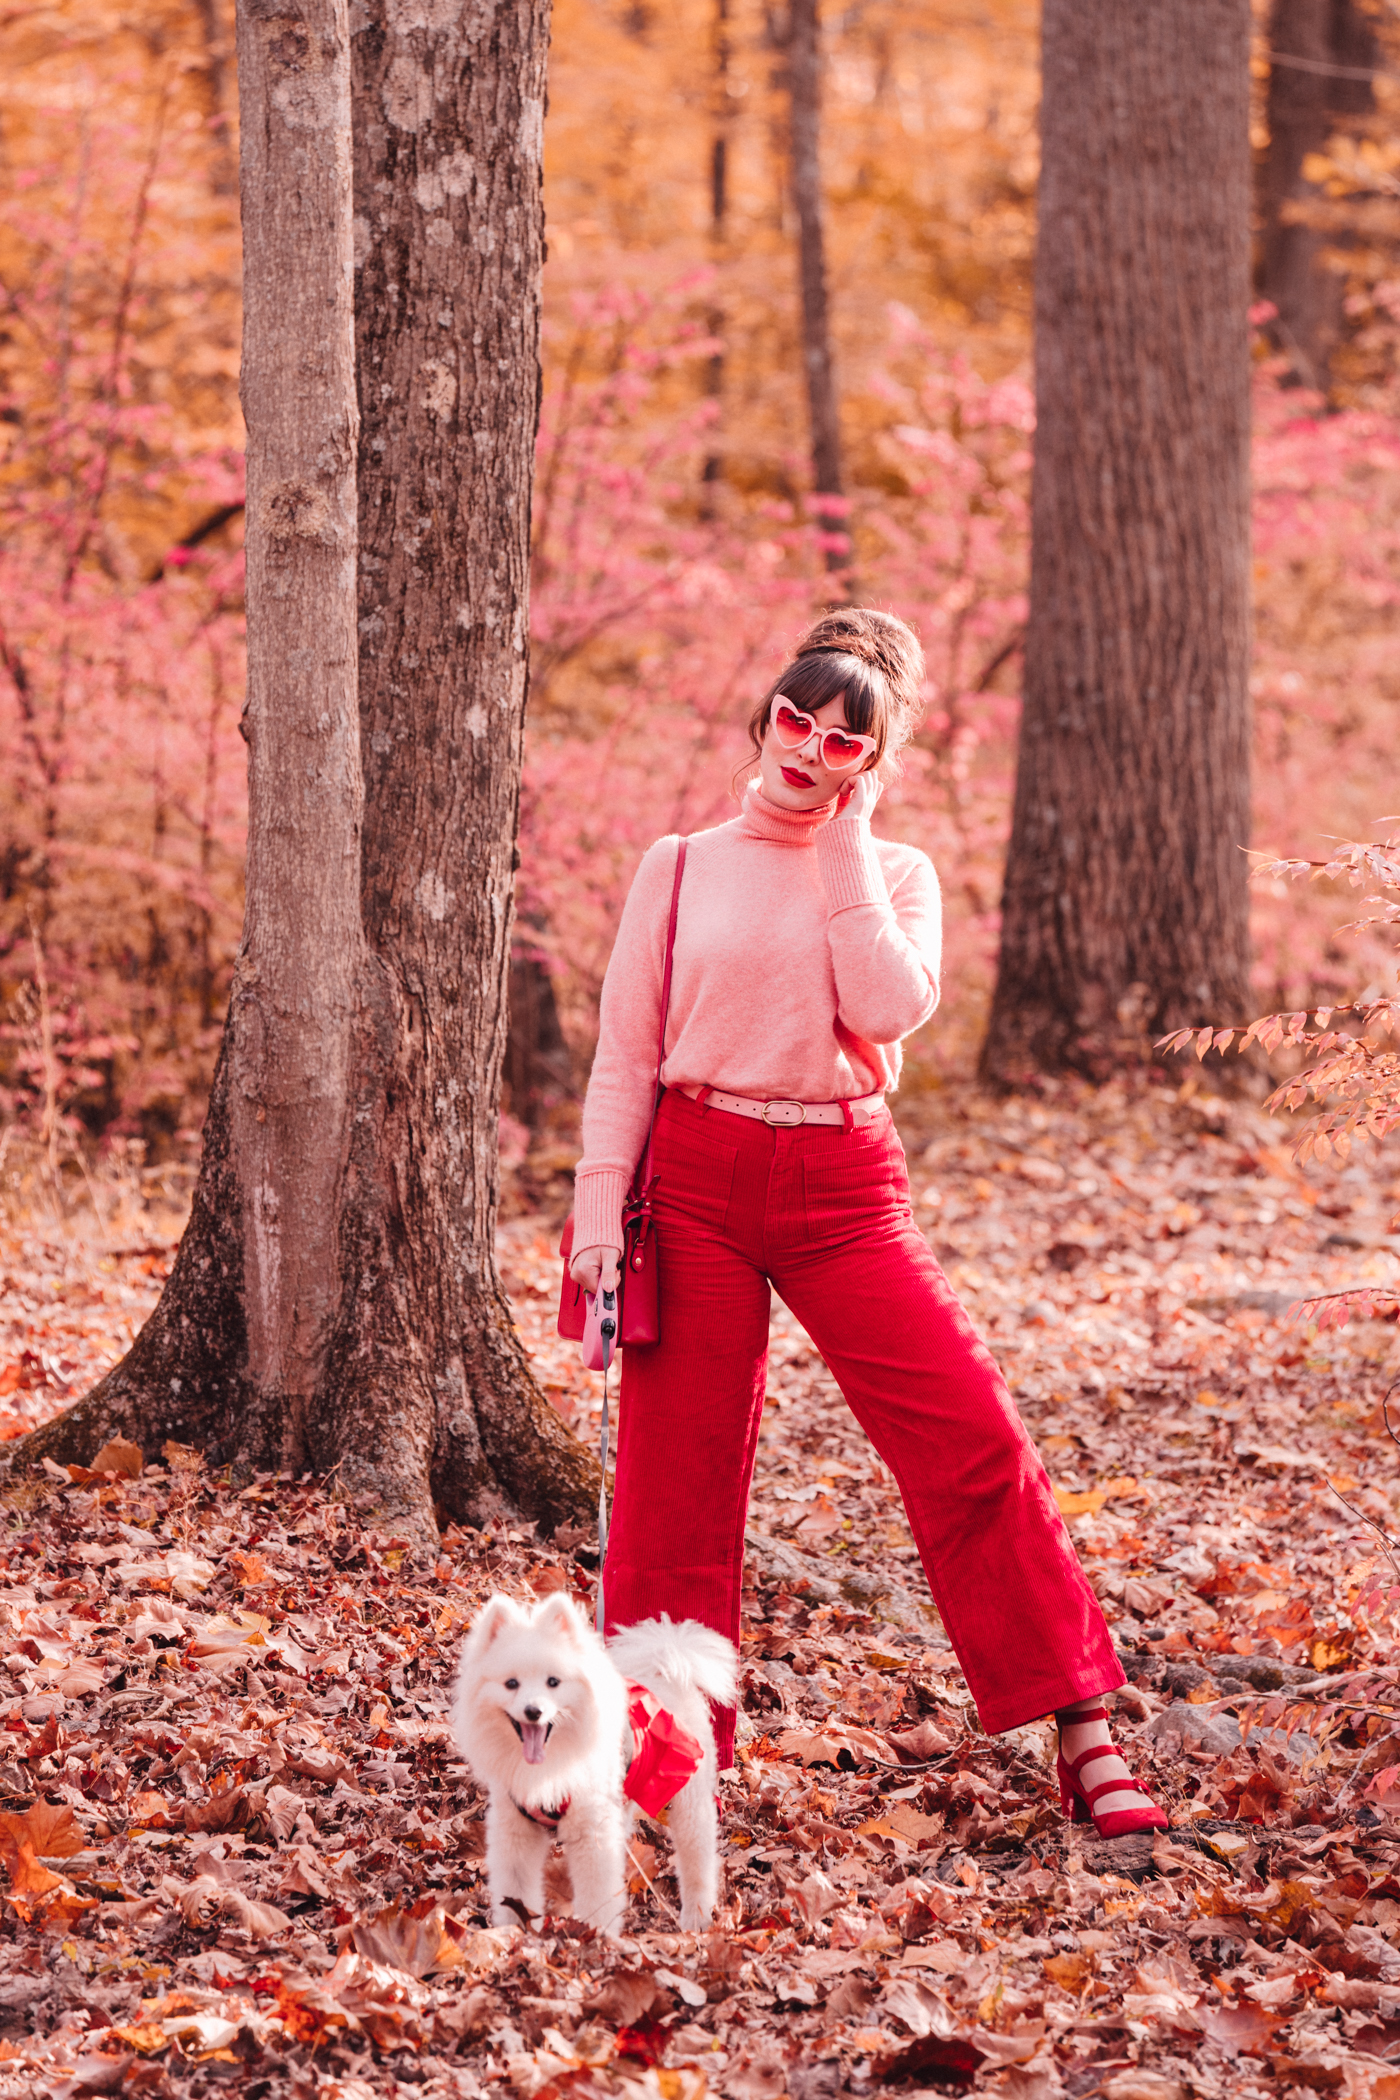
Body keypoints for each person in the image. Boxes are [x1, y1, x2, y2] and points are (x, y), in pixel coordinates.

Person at [569, 607, 1165, 1838]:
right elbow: (625, 1057)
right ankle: (662, 1756)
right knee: (670, 1494)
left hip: (844, 1189)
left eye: (845, 740)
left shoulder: (893, 874)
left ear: (869, 762)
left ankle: (1083, 1728)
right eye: (796, 719)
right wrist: (591, 1215)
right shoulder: (676, 866)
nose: (808, 748)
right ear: (764, 717)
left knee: (970, 1439)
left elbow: (886, 1010)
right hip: (691, 1180)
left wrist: (847, 841)